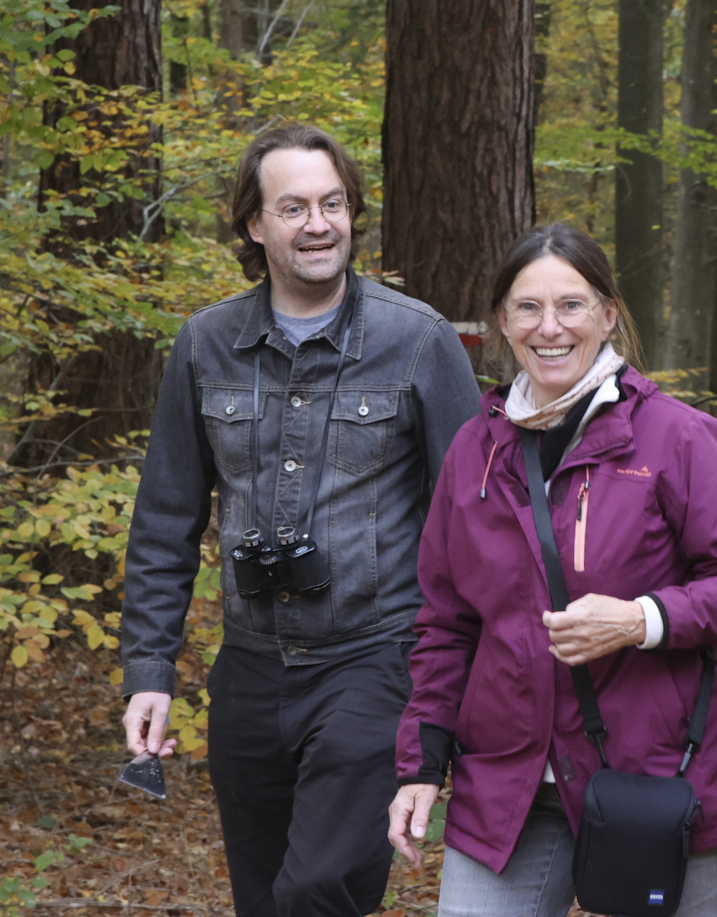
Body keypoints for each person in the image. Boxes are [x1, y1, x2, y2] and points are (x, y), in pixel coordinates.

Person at [118, 123, 482, 917]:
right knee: (265, 898)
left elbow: (479, 521)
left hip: (375, 662)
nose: (319, 224)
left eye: (333, 204)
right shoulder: (206, 344)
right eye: (294, 208)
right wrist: (150, 670)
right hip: (248, 670)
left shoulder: (418, 341)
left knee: (315, 891)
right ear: (255, 223)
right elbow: (165, 520)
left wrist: (457, 689)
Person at [387, 224, 717, 917]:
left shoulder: (676, 435)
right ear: (503, 321)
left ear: (607, 314)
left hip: (654, 779)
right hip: (506, 787)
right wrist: (420, 764)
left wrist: (641, 619)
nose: (550, 327)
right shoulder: (474, 451)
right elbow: (447, 625)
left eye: (571, 305)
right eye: (528, 307)